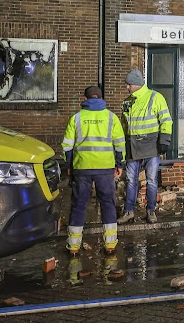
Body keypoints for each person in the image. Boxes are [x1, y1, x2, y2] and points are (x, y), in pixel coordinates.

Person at [62, 85, 125, 257]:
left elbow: (67, 146)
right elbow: (119, 144)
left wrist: (69, 167)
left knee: (79, 205)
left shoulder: (76, 118)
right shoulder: (111, 118)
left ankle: (73, 247)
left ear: (85, 99)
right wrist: (119, 164)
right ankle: (110, 246)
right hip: (105, 168)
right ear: (101, 99)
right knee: (107, 204)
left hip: (82, 167)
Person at [118, 68, 172, 224]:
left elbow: (166, 120)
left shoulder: (156, 97)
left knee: (151, 181)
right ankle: (129, 211)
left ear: (136, 84)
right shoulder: (127, 102)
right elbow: (124, 126)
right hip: (132, 146)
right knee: (131, 181)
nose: (127, 88)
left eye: (128, 85)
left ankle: (151, 211)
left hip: (151, 146)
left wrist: (164, 140)